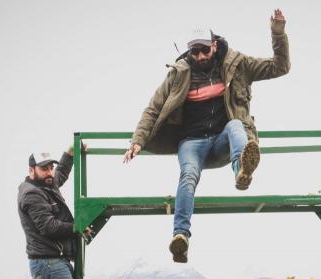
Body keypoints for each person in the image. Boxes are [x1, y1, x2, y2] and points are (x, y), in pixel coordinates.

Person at [123, 9, 290, 263]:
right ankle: (181, 237)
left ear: (214, 45)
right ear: (189, 52)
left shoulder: (238, 64)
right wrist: (137, 141)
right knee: (188, 175)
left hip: (224, 141)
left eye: (204, 50)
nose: (200, 56)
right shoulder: (179, 74)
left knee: (236, 126)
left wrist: (277, 32)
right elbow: (153, 108)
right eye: (194, 52)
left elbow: (280, 67)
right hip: (192, 143)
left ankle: (242, 171)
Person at [17, 145, 90, 279]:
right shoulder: (32, 194)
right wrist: (78, 227)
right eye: (44, 169)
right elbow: (49, 227)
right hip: (49, 261)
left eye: (51, 168)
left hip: (55, 259)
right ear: (31, 171)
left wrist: (70, 153)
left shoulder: (46, 183)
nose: (49, 172)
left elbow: (61, 173)